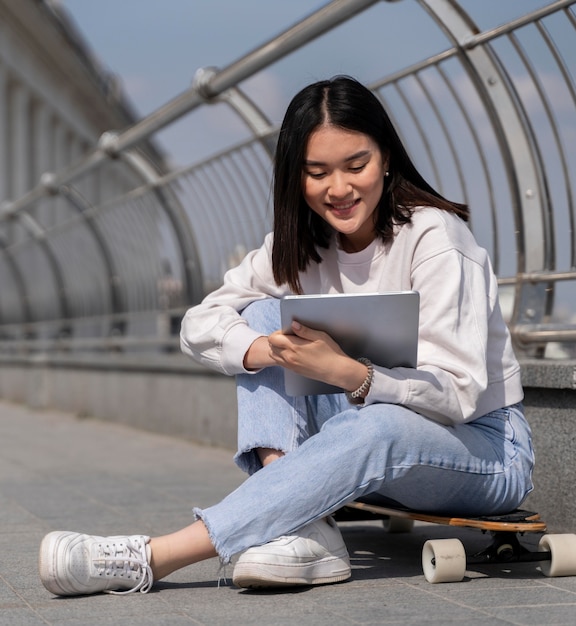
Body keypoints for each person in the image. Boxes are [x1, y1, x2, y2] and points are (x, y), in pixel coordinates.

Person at [38, 76, 534, 596]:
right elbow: (199, 323)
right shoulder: (300, 246)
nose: (338, 189)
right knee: (260, 316)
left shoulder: (434, 237)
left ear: (386, 158)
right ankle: (303, 527)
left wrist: (350, 374)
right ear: (295, 178)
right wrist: (260, 349)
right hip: (369, 434)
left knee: (380, 424)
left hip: (483, 449)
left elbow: (457, 394)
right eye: (316, 172)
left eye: (356, 165)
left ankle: (152, 557)